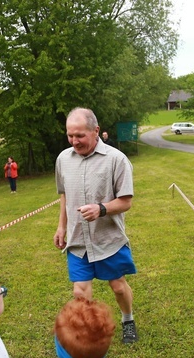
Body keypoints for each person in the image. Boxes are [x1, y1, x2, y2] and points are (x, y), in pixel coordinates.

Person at [54, 107, 138, 344]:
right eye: (70, 135)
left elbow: (126, 202)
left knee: (118, 287)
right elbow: (64, 196)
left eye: (79, 135)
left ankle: (128, 319)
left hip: (108, 239)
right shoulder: (63, 159)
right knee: (80, 289)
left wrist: (101, 209)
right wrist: (61, 227)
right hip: (77, 239)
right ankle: (89, 331)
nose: (74, 141)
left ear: (96, 131)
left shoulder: (116, 160)